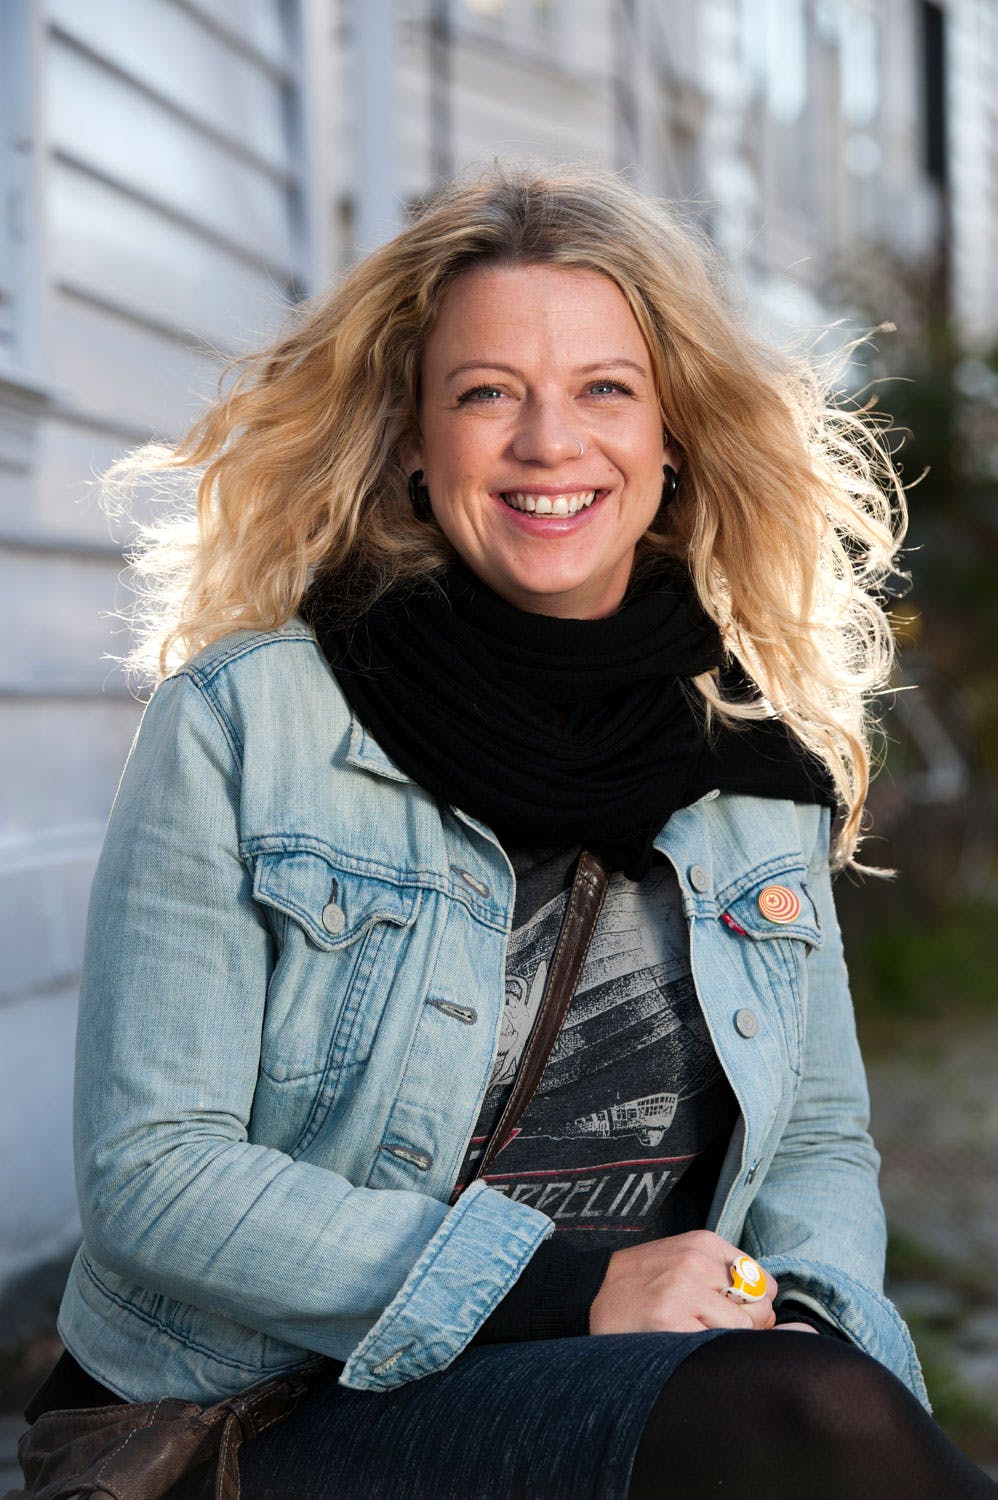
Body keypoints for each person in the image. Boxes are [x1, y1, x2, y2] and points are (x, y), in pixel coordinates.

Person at [17, 164, 997, 1499]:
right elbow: (156, 1177)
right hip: (274, 1410)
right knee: (795, 1422)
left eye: (605, 390)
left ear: (672, 435)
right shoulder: (248, 722)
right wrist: (569, 1290)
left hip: (673, 1396)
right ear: (413, 441)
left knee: (808, 1398)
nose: (549, 443)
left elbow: (817, 1143)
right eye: (487, 394)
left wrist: (803, 1315)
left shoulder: (751, 755)